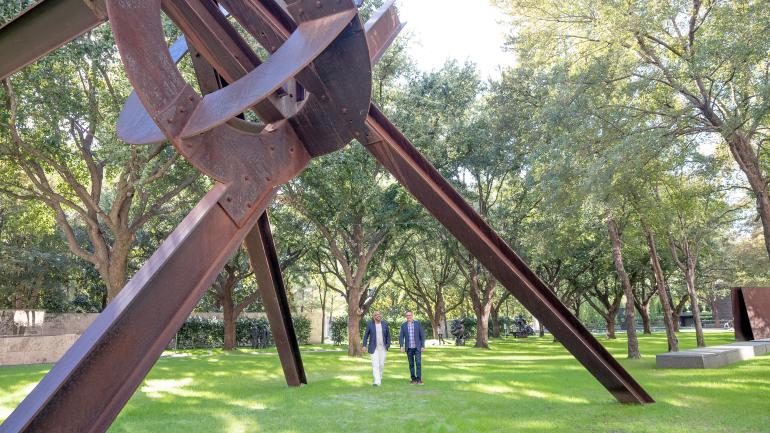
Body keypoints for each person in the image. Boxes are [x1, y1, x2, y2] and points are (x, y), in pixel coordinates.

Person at [362, 311, 391, 386]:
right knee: (375, 365)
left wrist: (387, 345)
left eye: (379, 314)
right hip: (373, 348)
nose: (378, 316)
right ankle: (377, 381)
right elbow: (365, 336)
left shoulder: (385, 324)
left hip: (383, 348)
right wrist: (364, 345)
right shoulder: (370, 324)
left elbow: (388, 336)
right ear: (373, 317)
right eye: (376, 315)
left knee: (381, 365)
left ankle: (379, 377)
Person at [399, 311, 425, 385]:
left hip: (417, 347)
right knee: (411, 364)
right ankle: (413, 379)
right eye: (407, 315)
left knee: (418, 363)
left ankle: (419, 379)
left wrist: (423, 346)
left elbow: (422, 335)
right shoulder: (403, 325)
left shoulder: (417, 323)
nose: (408, 316)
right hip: (409, 348)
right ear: (406, 316)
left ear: (412, 315)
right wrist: (401, 346)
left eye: (410, 315)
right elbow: (401, 336)